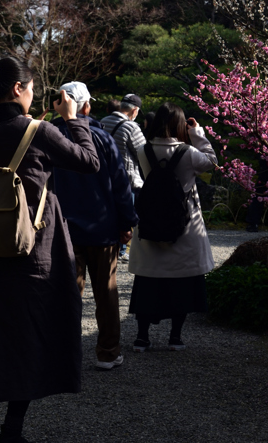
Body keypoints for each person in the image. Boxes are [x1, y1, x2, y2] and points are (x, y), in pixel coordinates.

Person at [0, 58, 100, 443]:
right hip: (35, 251)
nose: (35, 94)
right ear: (17, 90)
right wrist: (74, 119)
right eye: (32, 88)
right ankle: (13, 429)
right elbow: (89, 162)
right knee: (32, 334)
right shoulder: (37, 131)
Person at [50, 81, 137, 372]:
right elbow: (120, 185)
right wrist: (127, 222)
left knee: (67, 295)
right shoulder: (101, 138)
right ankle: (108, 353)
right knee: (106, 293)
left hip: (63, 231)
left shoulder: (48, 137)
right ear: (86, 106)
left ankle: (63, 353)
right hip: (102, 227)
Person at [128, 102, 217, 351]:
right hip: (183, 227)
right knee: (182, 283)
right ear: (180, 126)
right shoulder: (188, 152)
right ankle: (175, 337)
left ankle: (142, 337)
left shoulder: (142, 149)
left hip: (151, 223)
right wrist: (197, 133)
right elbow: (211, 161)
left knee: (147, 283)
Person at [100, 93, 146, 262]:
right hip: (126, 177)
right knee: (125, 213)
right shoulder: (131, 127)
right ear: (134, 110)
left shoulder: (102, 121)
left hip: (103, 177)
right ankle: (121, 250)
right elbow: (143, 153)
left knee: (108, 212)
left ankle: (111, 247)